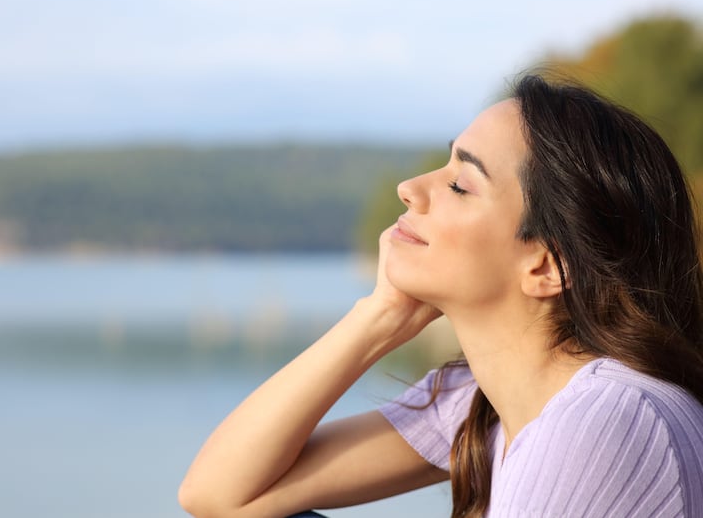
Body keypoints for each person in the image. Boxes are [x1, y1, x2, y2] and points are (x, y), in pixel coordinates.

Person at [178, 74, 703, 517]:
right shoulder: (482, 401)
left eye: (460, 184)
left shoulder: (609, 421)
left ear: (547, 265)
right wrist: (379, 316)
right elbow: (221, 496)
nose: (410, 187)